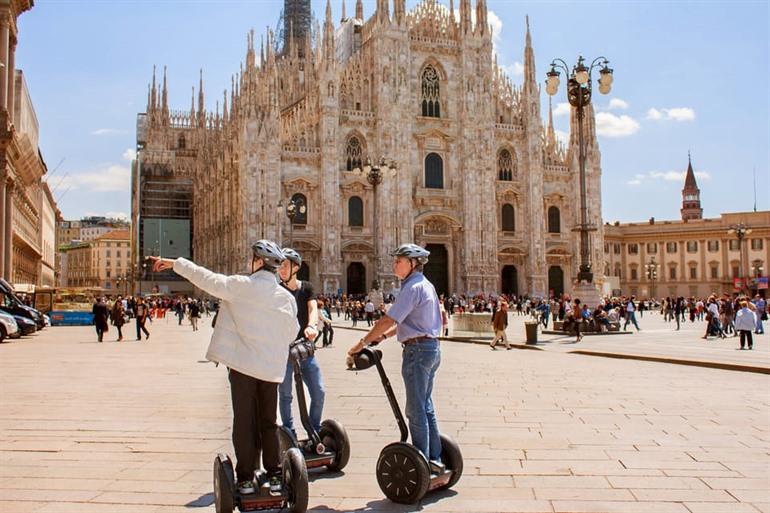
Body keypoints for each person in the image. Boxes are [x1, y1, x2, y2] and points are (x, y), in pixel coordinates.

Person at [150, 240, 298, 495]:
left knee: (243, 421)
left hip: (242, 368)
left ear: (259, 262)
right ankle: (274, 475)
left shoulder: (241, 286)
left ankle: (245, 479)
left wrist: (176, 264)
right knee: (269, 422)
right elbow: (292, 331)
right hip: (270, 371)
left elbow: (207, 279)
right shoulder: (285, 297)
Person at [348, 244, 445, 473]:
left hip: (418, 352)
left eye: (399, 261)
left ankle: (422, 458)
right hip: (430, 348)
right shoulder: (426, 285)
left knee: (415, 409)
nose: (394, 265)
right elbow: (409, 321)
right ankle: (435, 456)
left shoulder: (411, 288)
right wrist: (382, 337)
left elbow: (389, 319)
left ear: (413, 264)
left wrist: (361, 343)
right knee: (425, 405)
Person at [277, 248, 325, 439]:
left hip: (304, 349)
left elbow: (312, 308)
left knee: (319, 392)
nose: (281, 269)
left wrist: (312, 326)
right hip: (283, 352)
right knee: (286, 395)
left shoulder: (306, 288)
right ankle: (289, 434)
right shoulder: (276, 291)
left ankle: (314, 429)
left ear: (295, 267)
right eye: (279, 265)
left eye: (285, 265)